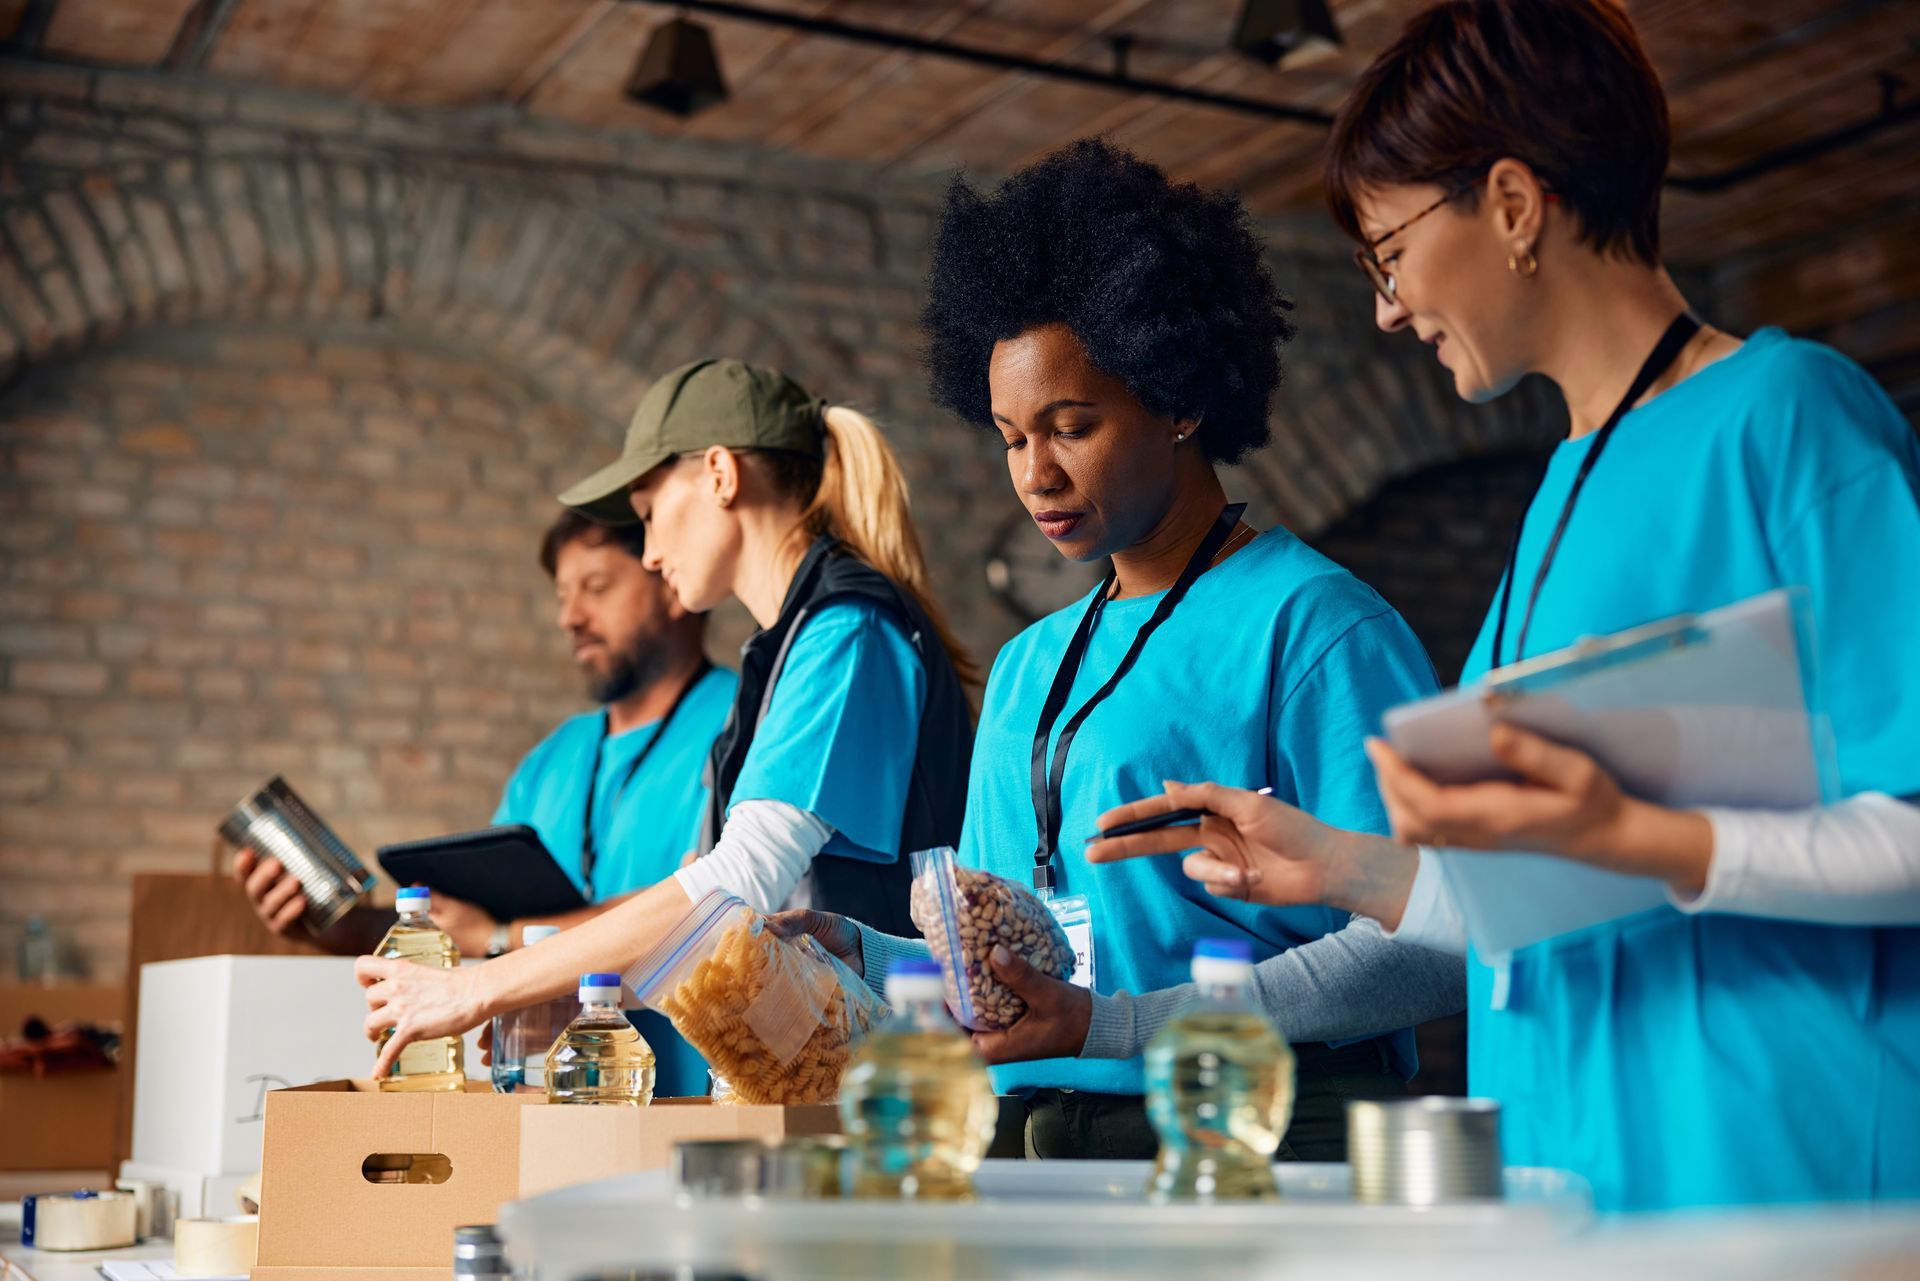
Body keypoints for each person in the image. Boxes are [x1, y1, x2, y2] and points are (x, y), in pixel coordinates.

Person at [1088, 0, 1920, 1212]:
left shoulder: (1786, 415)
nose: (1385, 306)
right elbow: (1538, 897)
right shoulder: (1558, 496)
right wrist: (1335, 865)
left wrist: (1642, 839)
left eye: (1389, 254)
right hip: (1577, 1177)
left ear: (1516, 206)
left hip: (1767, 1176)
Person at [777, 139, 1464, 1162]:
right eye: (1012, 437)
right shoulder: (1026, 664)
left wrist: (1120, 1028)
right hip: (1031, 1134)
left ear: (1180, 400)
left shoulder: (1316, 627)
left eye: (1072, 426)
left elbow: (1432, 952)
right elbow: (1013, 952)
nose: (1036, 474)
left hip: (1248, 1137)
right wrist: (868, 955)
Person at [355, 358, 976, 1074]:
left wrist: (480, 985)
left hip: (903, 1099)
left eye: (650, 514)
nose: (650, 552)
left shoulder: (848, 632)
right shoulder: (777, 657)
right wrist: (587, 995)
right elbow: (726, 937)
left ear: (720, 474)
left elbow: (739, 882)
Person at [235, 509, 735, 1094]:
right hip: (547, 1098)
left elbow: (711, 907)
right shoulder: (553, 758)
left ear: (670, 582)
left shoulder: (741, 726)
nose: (571, 617)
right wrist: (321, 925)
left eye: (597, 588)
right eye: (563, 595)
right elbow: (456, 927)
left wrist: (499, 938)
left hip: (685, 1099)